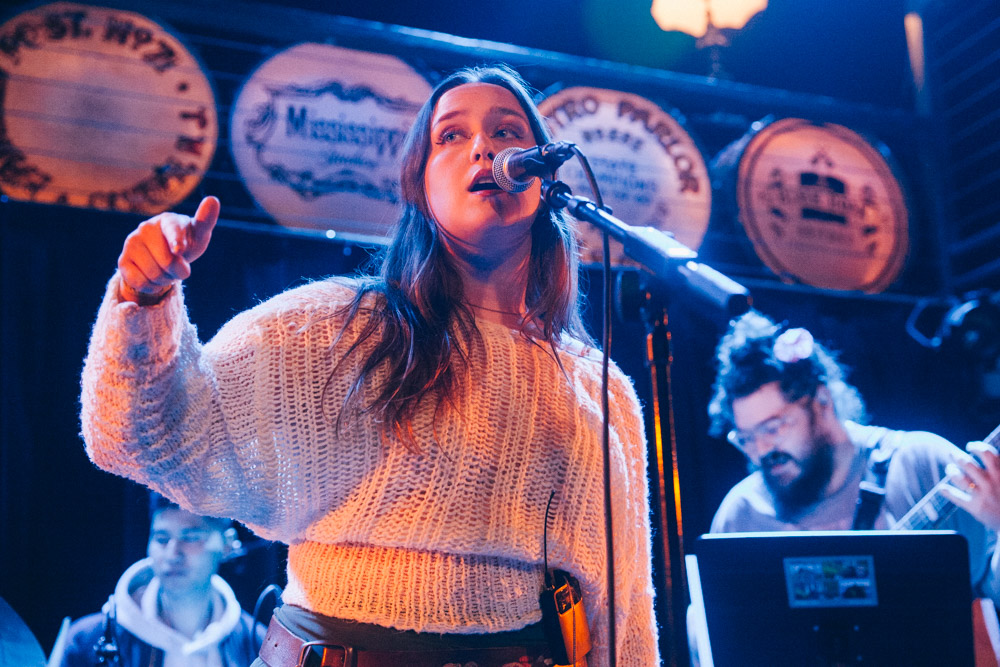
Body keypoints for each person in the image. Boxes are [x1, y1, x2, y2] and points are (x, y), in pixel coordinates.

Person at [80, 64, 659, 667]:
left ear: (544, 179)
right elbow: (140, 438)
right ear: (419, 187)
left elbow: (624, 612)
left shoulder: (599, 389)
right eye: (451, 135)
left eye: (507, 131)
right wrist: (144, 299)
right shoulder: (329, 329)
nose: (484, 148)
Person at [705, 310, 1000, 604]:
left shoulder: (922, 465)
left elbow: (993, 599)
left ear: (822, 401)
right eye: (746, 438)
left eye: (772, 428)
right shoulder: (741, 516)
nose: (762, 450)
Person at [56, 497, 263, 667]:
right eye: (162, 539)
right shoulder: (87, 642)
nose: (172, 553)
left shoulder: (259, 647)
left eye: (191, 537)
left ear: (227, 544)